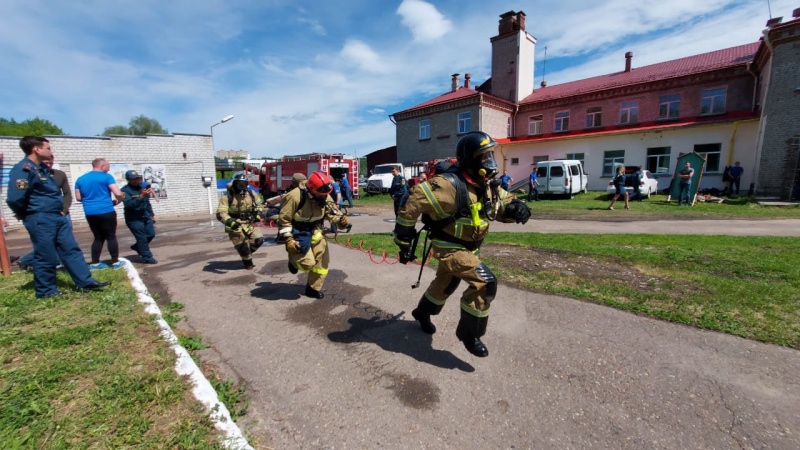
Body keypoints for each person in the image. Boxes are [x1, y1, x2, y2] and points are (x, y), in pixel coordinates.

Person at [393, 131, 532, 357]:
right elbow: (411, 200)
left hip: (471, 247)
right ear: (470, 160)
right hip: (448, 247)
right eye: (484, 158)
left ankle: (422, 312)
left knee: (445, 285)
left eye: (491, 157)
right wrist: (404, 241)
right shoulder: (445, 186)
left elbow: (503, 202)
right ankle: (470, 334)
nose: (490, 163)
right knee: (485, 282)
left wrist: (517, 207)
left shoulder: (486, 184)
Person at [6, 136, 110, 297]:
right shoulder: (23, 169)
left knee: (71, 249)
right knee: (46, 254)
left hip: (57, 216)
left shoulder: (41, 169)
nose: (50, 151)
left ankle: (85, 281)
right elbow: (14, 198)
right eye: (48, 148)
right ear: (36, 149)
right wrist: (28, 214)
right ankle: (46, 290)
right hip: (40, 217)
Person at [279, 171, 350, 298]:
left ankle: (312, 288)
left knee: (322, 262)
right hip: (299, 231)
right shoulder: (294, 197)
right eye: (321, 195)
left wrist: (342, 221)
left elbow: (333, 212)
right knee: (307, 264)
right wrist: (289, 240)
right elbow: (284, 219)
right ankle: (293, 260)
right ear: (311, 189)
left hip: (316, 230)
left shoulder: (324, 195)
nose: (324, 197)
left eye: (326, 195)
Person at [17, 153, 69, 271]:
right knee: (47, 244)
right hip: (41, 215)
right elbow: (19, 196)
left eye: (51, 162)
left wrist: (64, 210)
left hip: (60, 213)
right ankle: (27, 261)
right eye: (46, 163)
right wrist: (22, 212)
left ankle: (68, 268)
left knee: (65, 244)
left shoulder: (59, 174)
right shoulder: (30, 173)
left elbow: (67, 194)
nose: (49, 165)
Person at [75, 158, 126, 270]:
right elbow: (117, 193)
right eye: (108, 166)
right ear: (102, 166)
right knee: (111, 236)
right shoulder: (106, 177)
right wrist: (120, 199)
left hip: (90, 212)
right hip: (106, 210)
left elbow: (78, 198)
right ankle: (115, 262)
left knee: (98, 237)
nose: (109, 168)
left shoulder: (80, 179)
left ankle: (95, 263)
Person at [216, 171, 265, 270]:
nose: (241, 186)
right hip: (235, 224)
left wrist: (258, 213)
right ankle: (247, 262)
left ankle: (246, 252)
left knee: (258, 240)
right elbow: (221, 213)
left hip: (249, 223)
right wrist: (230, 222)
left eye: (244, 184)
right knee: (243, 247)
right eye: (239, 184)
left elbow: (259, 205)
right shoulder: (226, 197)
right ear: (234, 184)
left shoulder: (251, 193)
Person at [121, 170, 158, 264]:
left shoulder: (142, 187)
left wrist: (151, 214)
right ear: (128, 180)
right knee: (142, 238)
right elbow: (129, 204)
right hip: (134, 218)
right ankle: (147, 257)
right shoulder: (125, 190)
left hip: (145, 215)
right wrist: (141, 197)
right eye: (133, 179)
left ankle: (138, 247)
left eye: (137, 178)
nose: (136, 180)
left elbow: (147, 203)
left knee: (151, 234)